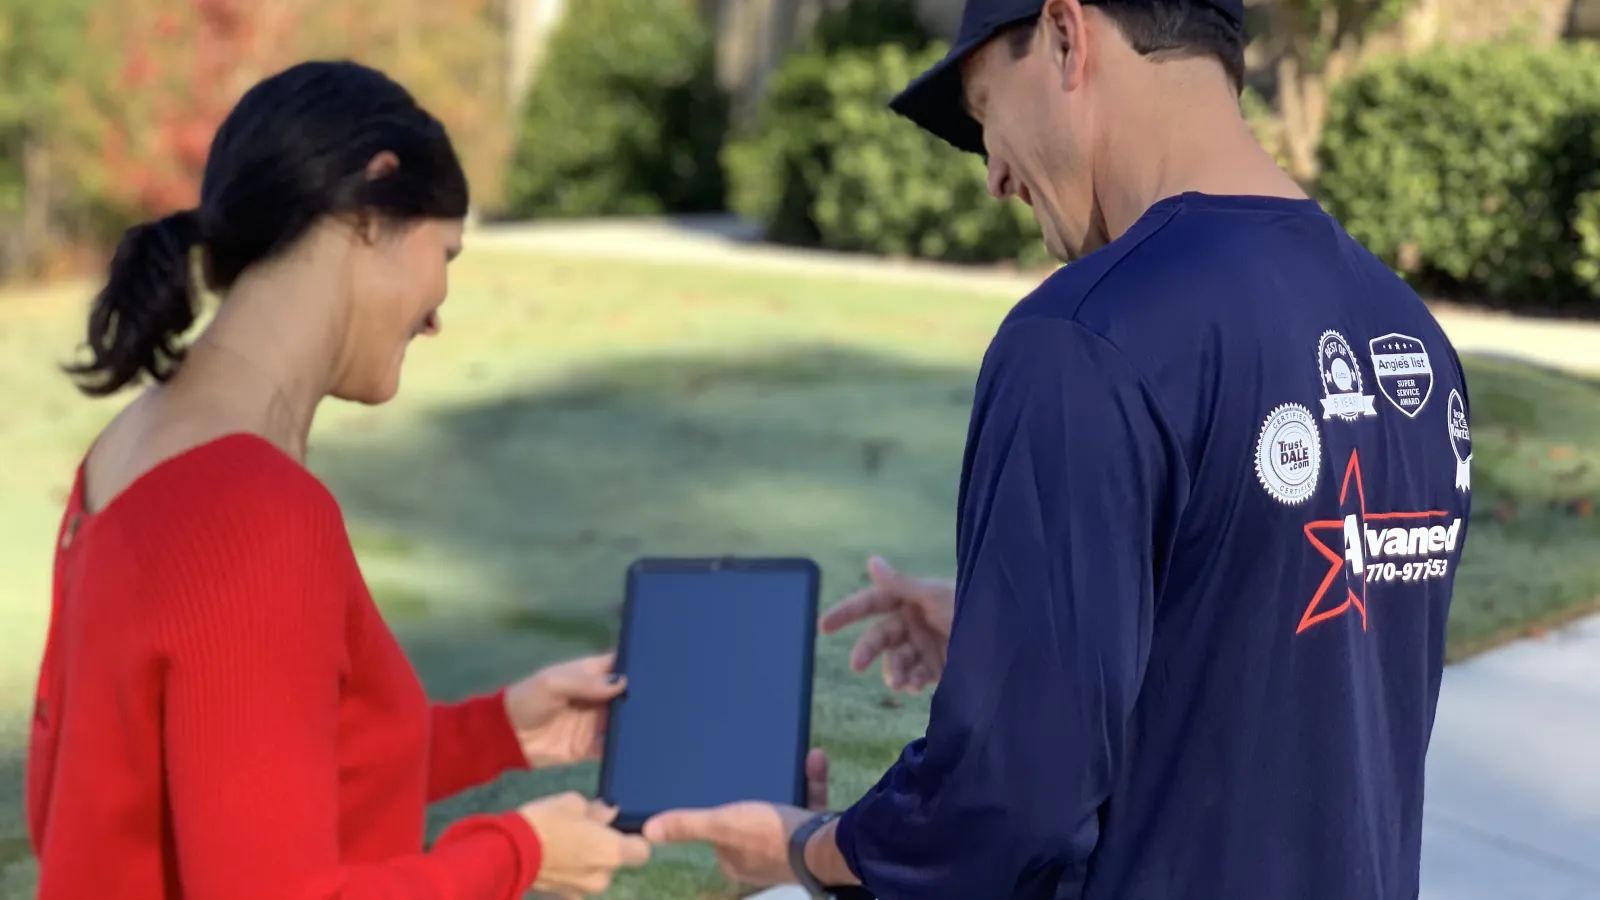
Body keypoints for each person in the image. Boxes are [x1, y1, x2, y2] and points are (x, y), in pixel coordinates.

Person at [644, 0, 1473, 898]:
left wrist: (805, 848)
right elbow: (1285, 669)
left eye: (987, 112)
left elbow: (1003, 812)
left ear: (1067, 36)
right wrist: (1037, 635)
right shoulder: (1409, 335)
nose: (995, 175)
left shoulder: (1088, 334)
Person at [26, 60, 650, 900]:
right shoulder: (251, 513)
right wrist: (518, 854)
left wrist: (500, 733)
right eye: (447, 253)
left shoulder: (128, 450)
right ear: (372, 205)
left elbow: (232, 780)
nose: (438, 311)